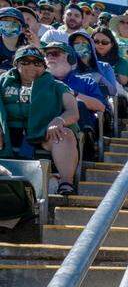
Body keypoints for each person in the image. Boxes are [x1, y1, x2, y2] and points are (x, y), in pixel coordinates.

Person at [0, 45, 81, 195]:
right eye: (25, 62)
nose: (31, 66)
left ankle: (66, 182)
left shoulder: (56, 86)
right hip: (8, 132)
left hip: (43, 131)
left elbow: (73, 111)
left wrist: (59, 120)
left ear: (44, 66)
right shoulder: (2, 82)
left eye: (37, 63)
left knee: (65, 135)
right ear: (16, 64)